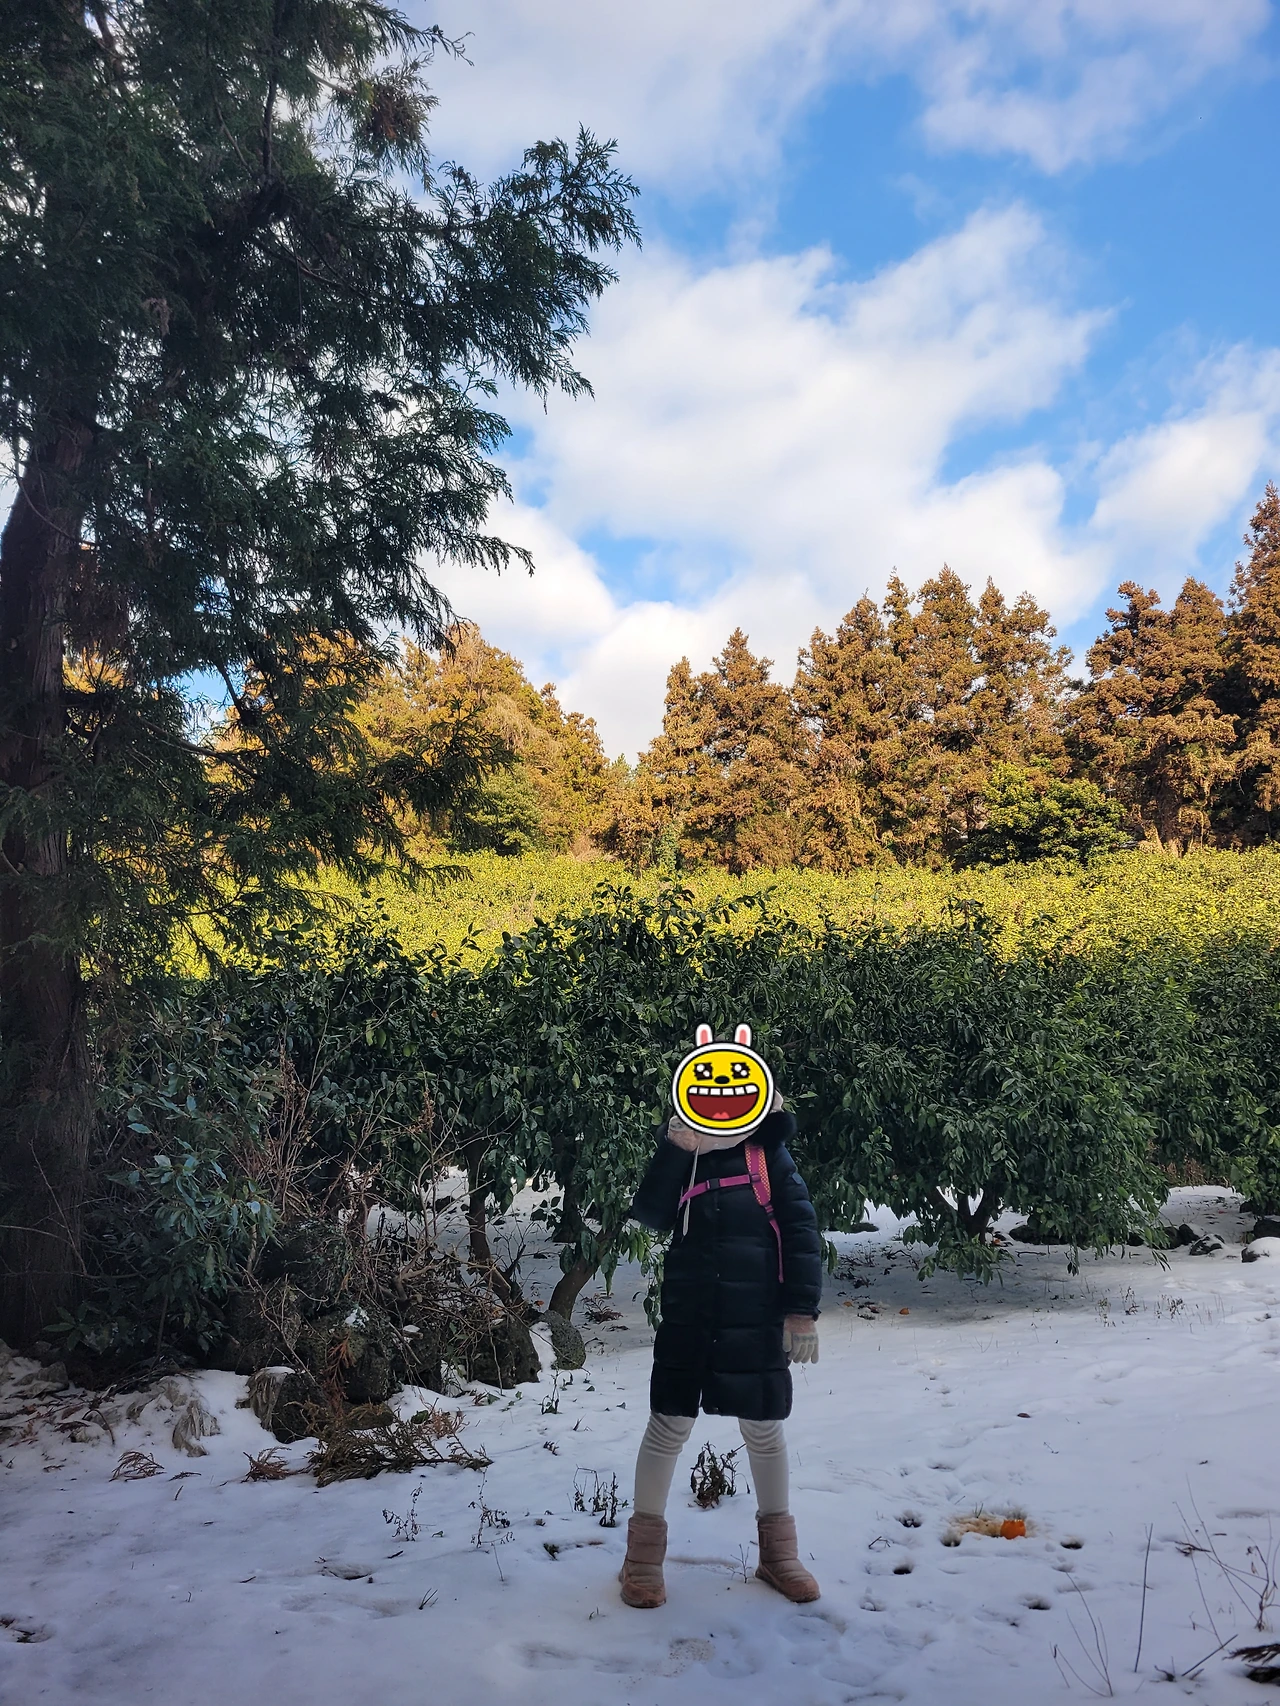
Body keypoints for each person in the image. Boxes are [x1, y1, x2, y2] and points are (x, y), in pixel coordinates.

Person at [619, 1069, 824, 1609]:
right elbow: (651, 1213)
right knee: (667, 1425)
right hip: (689, 1315)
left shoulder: (767, 1156)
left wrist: (801, 1313)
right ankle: (642, 1559)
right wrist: (675, 1148)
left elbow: (801, 1234)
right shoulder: (685, 1153)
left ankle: (779, 1556)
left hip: (755, 1317)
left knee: (764, 1429)